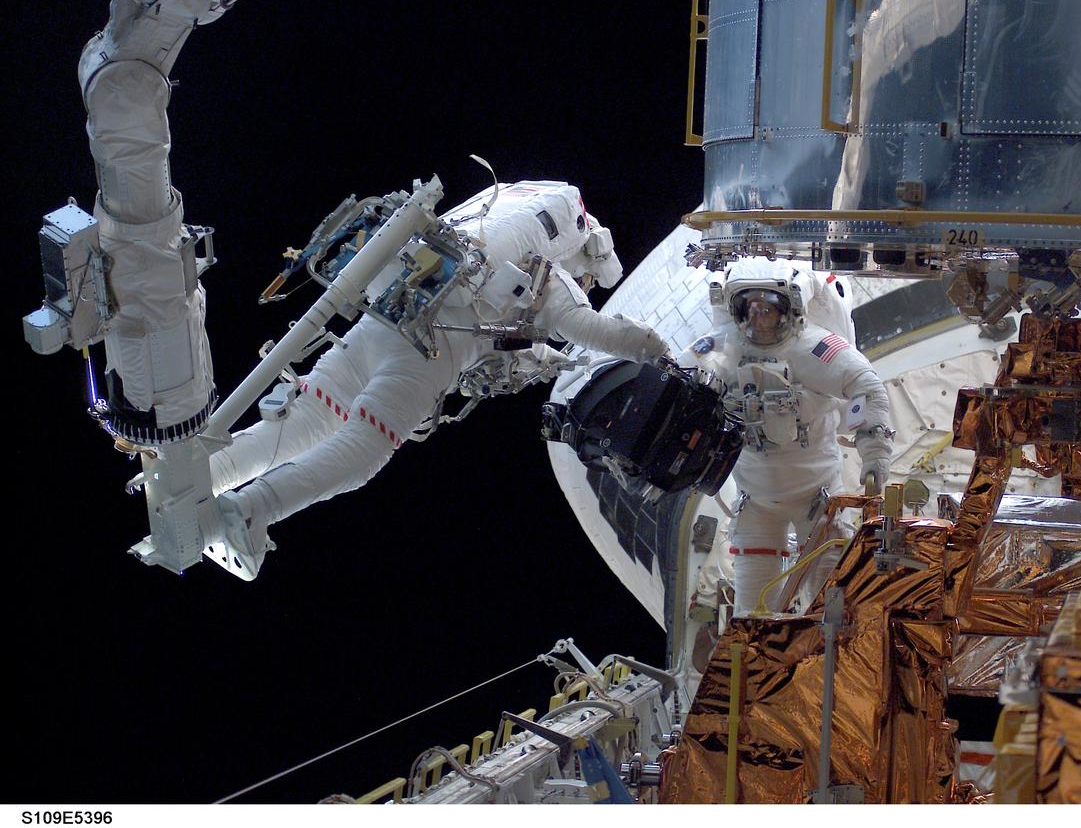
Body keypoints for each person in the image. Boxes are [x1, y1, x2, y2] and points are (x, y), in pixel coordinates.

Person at [212, 181, 667, 578]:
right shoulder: (550, 274)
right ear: (583, 256)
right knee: (362, 449)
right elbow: (595, 330)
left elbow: (503, 352)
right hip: (422, 355)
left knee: (307, 418)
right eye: (587, 280)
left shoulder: (487, 222)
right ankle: (252, 510)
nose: (584, 286)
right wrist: (660, 352)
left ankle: (207, 475)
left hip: (380, 324)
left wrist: (546, 360)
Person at [682, 258, 894, 614]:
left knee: (830, 611)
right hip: (758, 502)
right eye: (750, 309)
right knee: (753, 615)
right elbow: (682, 385)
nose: (758, 318)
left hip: (818, 500)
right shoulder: (723, 347)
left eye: (768, 309)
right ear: (737, 311)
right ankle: (762, 666)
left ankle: (827, 665)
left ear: (790, 310)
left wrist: (875, 455)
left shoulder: (814, 349)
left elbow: (867, 388)